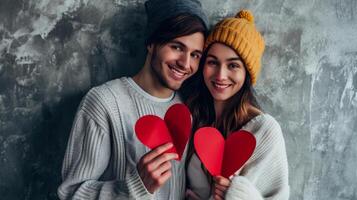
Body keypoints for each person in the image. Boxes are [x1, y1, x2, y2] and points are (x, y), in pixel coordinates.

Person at [57, 0, 208, 199]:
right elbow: (71, 193)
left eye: (195, 55)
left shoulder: (188, 109)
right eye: (177, 47)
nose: (185, 63)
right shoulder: (103, 102)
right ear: (151, 43)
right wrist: (135, 186)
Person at [183, 10, 289, 200]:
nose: (220, 75)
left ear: (247, 74)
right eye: (212, 62)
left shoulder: (264, 130)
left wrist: (238, 194)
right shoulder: (194, 117)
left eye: (233, 65)